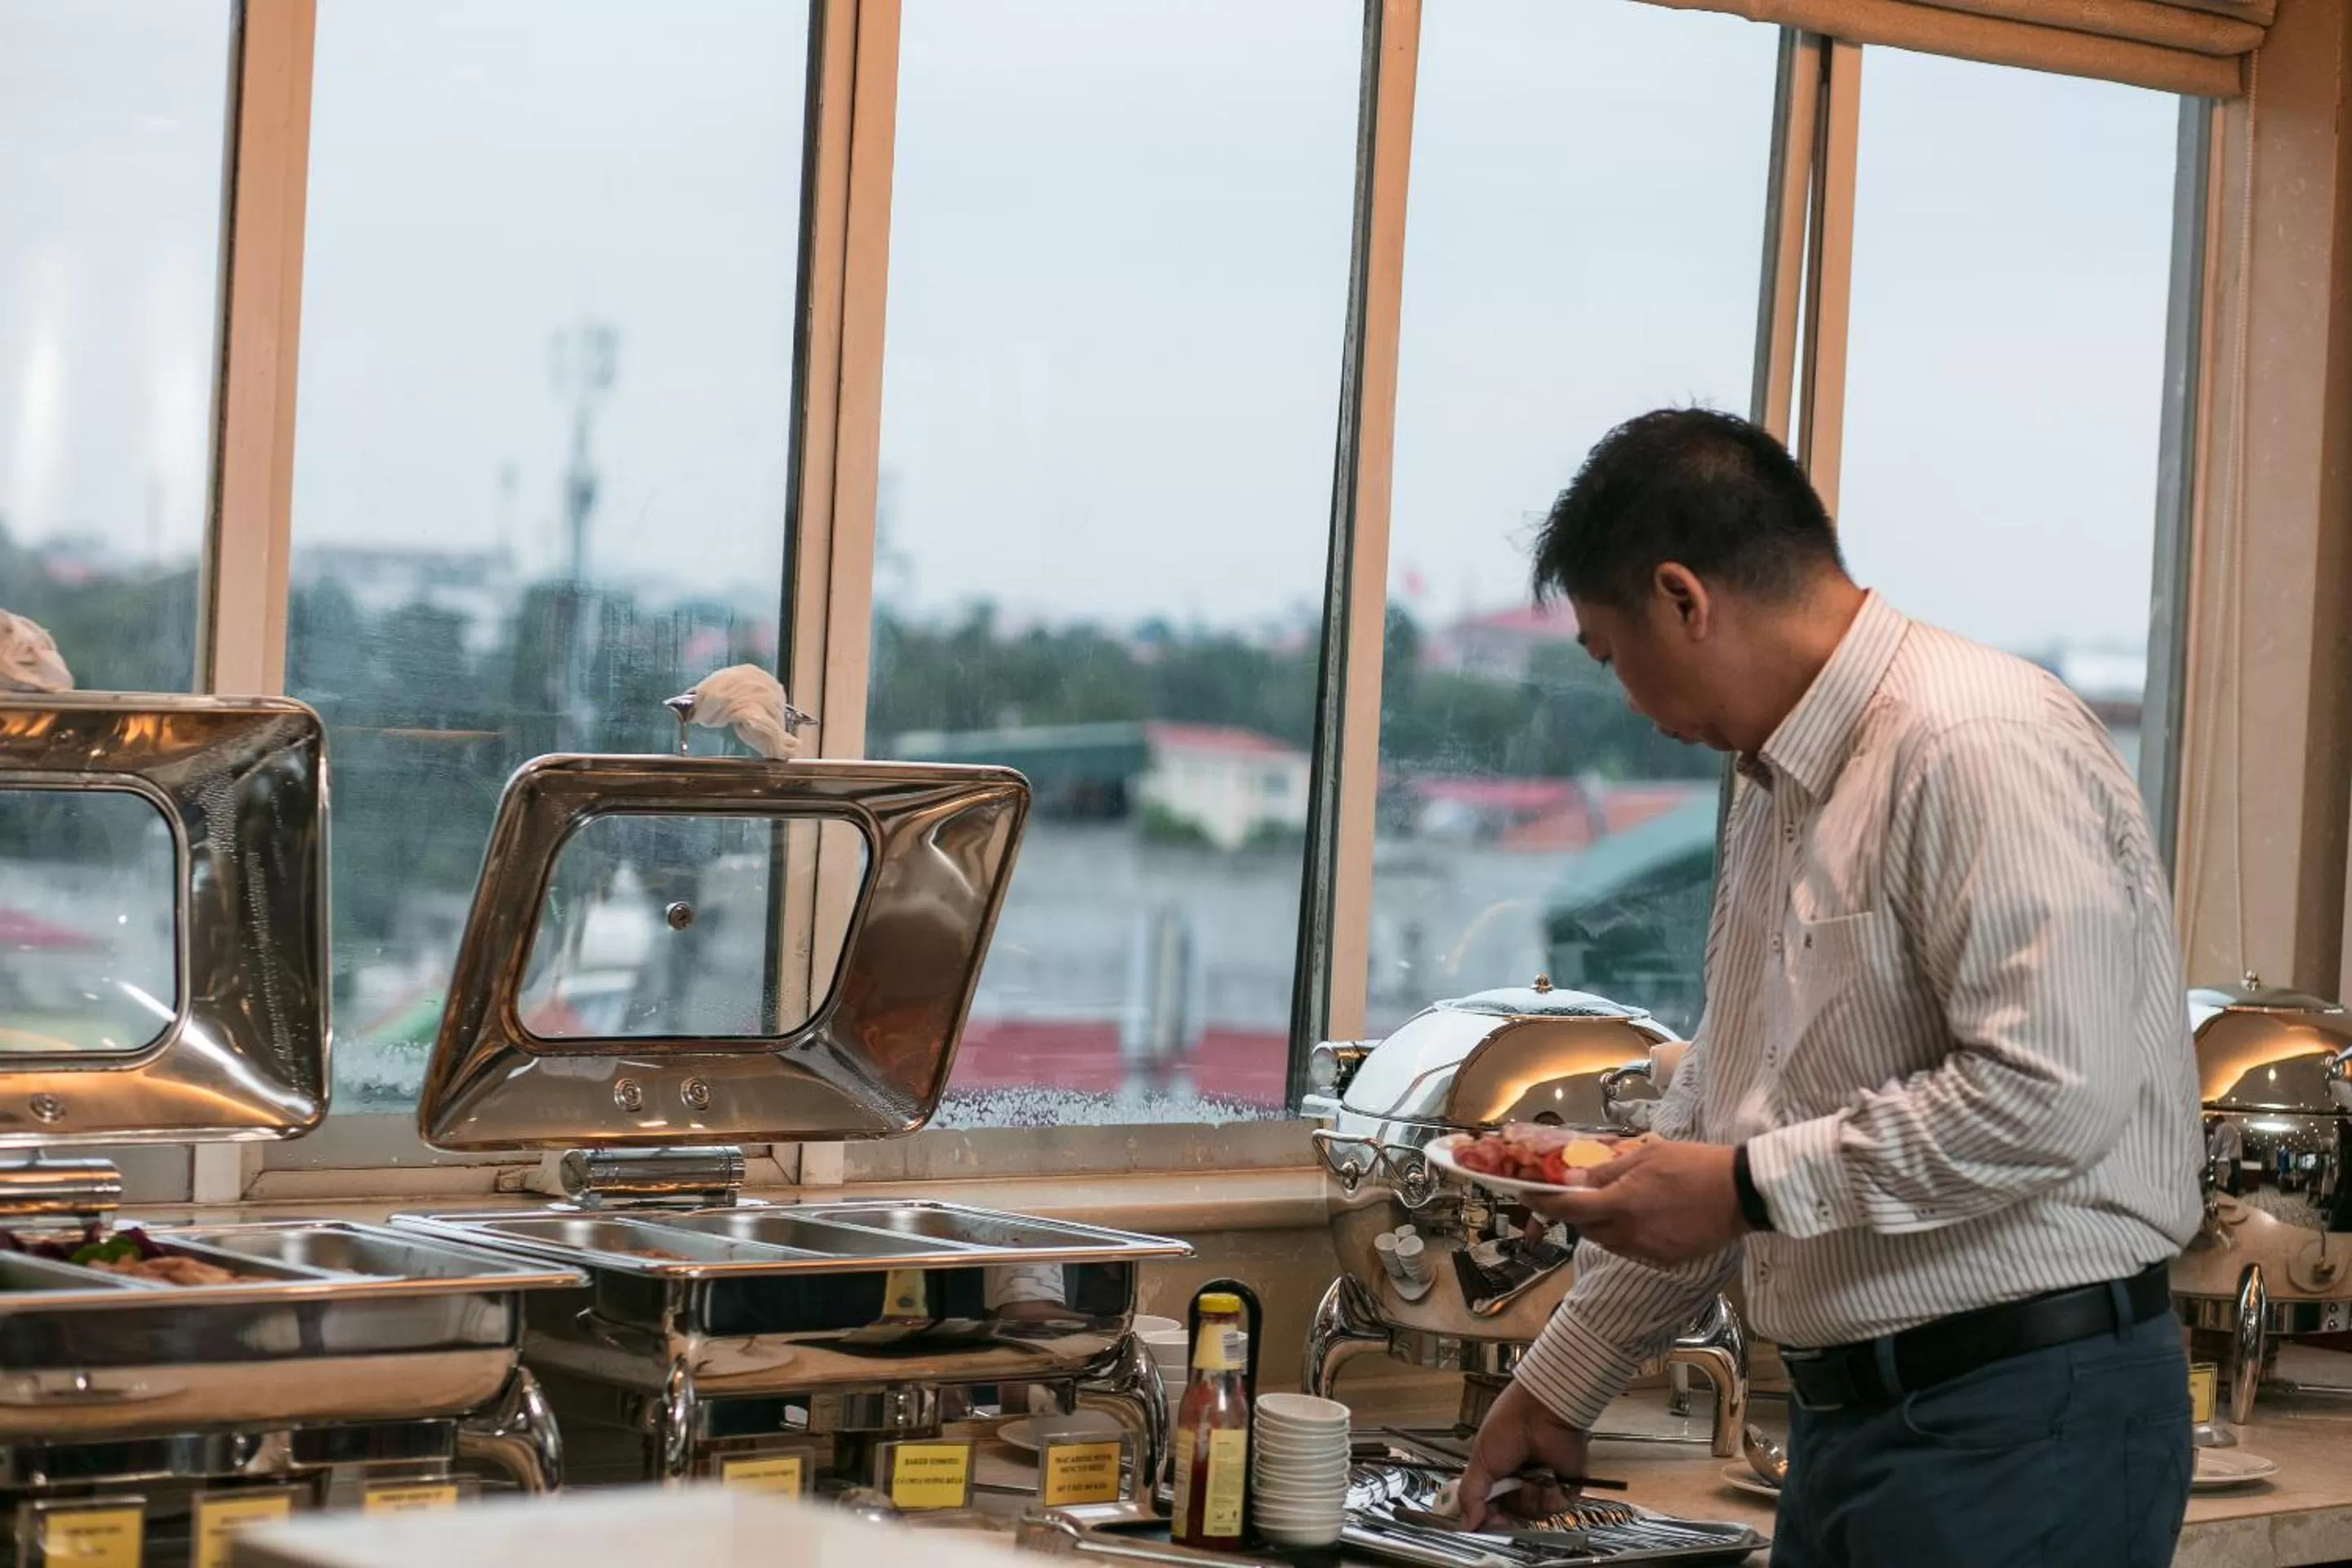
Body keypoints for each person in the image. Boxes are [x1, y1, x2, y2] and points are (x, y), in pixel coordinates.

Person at [1458, 409, 2202, 1566]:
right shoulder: (1777, 781)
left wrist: (1750, 1189)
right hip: (1860, 1424)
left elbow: (2051, 1091)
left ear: (1682, 599)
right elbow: (1727, 1107)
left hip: (2025, 1414)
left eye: (1611, 655)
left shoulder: (1974, 740)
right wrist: (1564, 1379)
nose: (1627, 700)